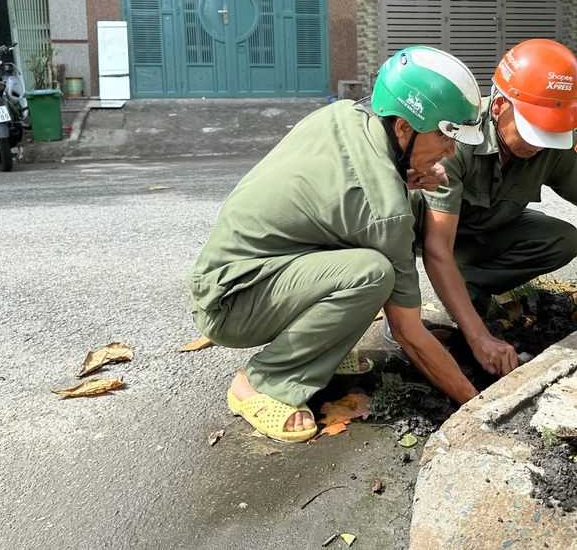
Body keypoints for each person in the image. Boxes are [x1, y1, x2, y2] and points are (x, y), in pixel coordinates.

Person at [188, 46, 485, 442]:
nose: (451, 151)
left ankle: (320, 350)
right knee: (372, 274)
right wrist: (476, 404)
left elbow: (341, 196)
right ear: (403, 128)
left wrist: (401, 179)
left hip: (236, 273)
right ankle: (262, 382)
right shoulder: (384, 210)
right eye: (444, 136)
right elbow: (408, 331)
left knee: (364, 255)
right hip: (233, 303)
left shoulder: (345, 114)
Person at [389, 38, 577, 380]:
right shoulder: (458, 137)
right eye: (532, 130)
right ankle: (403, 315)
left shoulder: (553, 137)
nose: (540, 144)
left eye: (550, 133)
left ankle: (468, 287)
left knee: (560, 239)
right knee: (392, 226)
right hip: (427, 234)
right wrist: (480, 339)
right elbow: (437, 249)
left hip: (481, 231)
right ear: (499, 107)